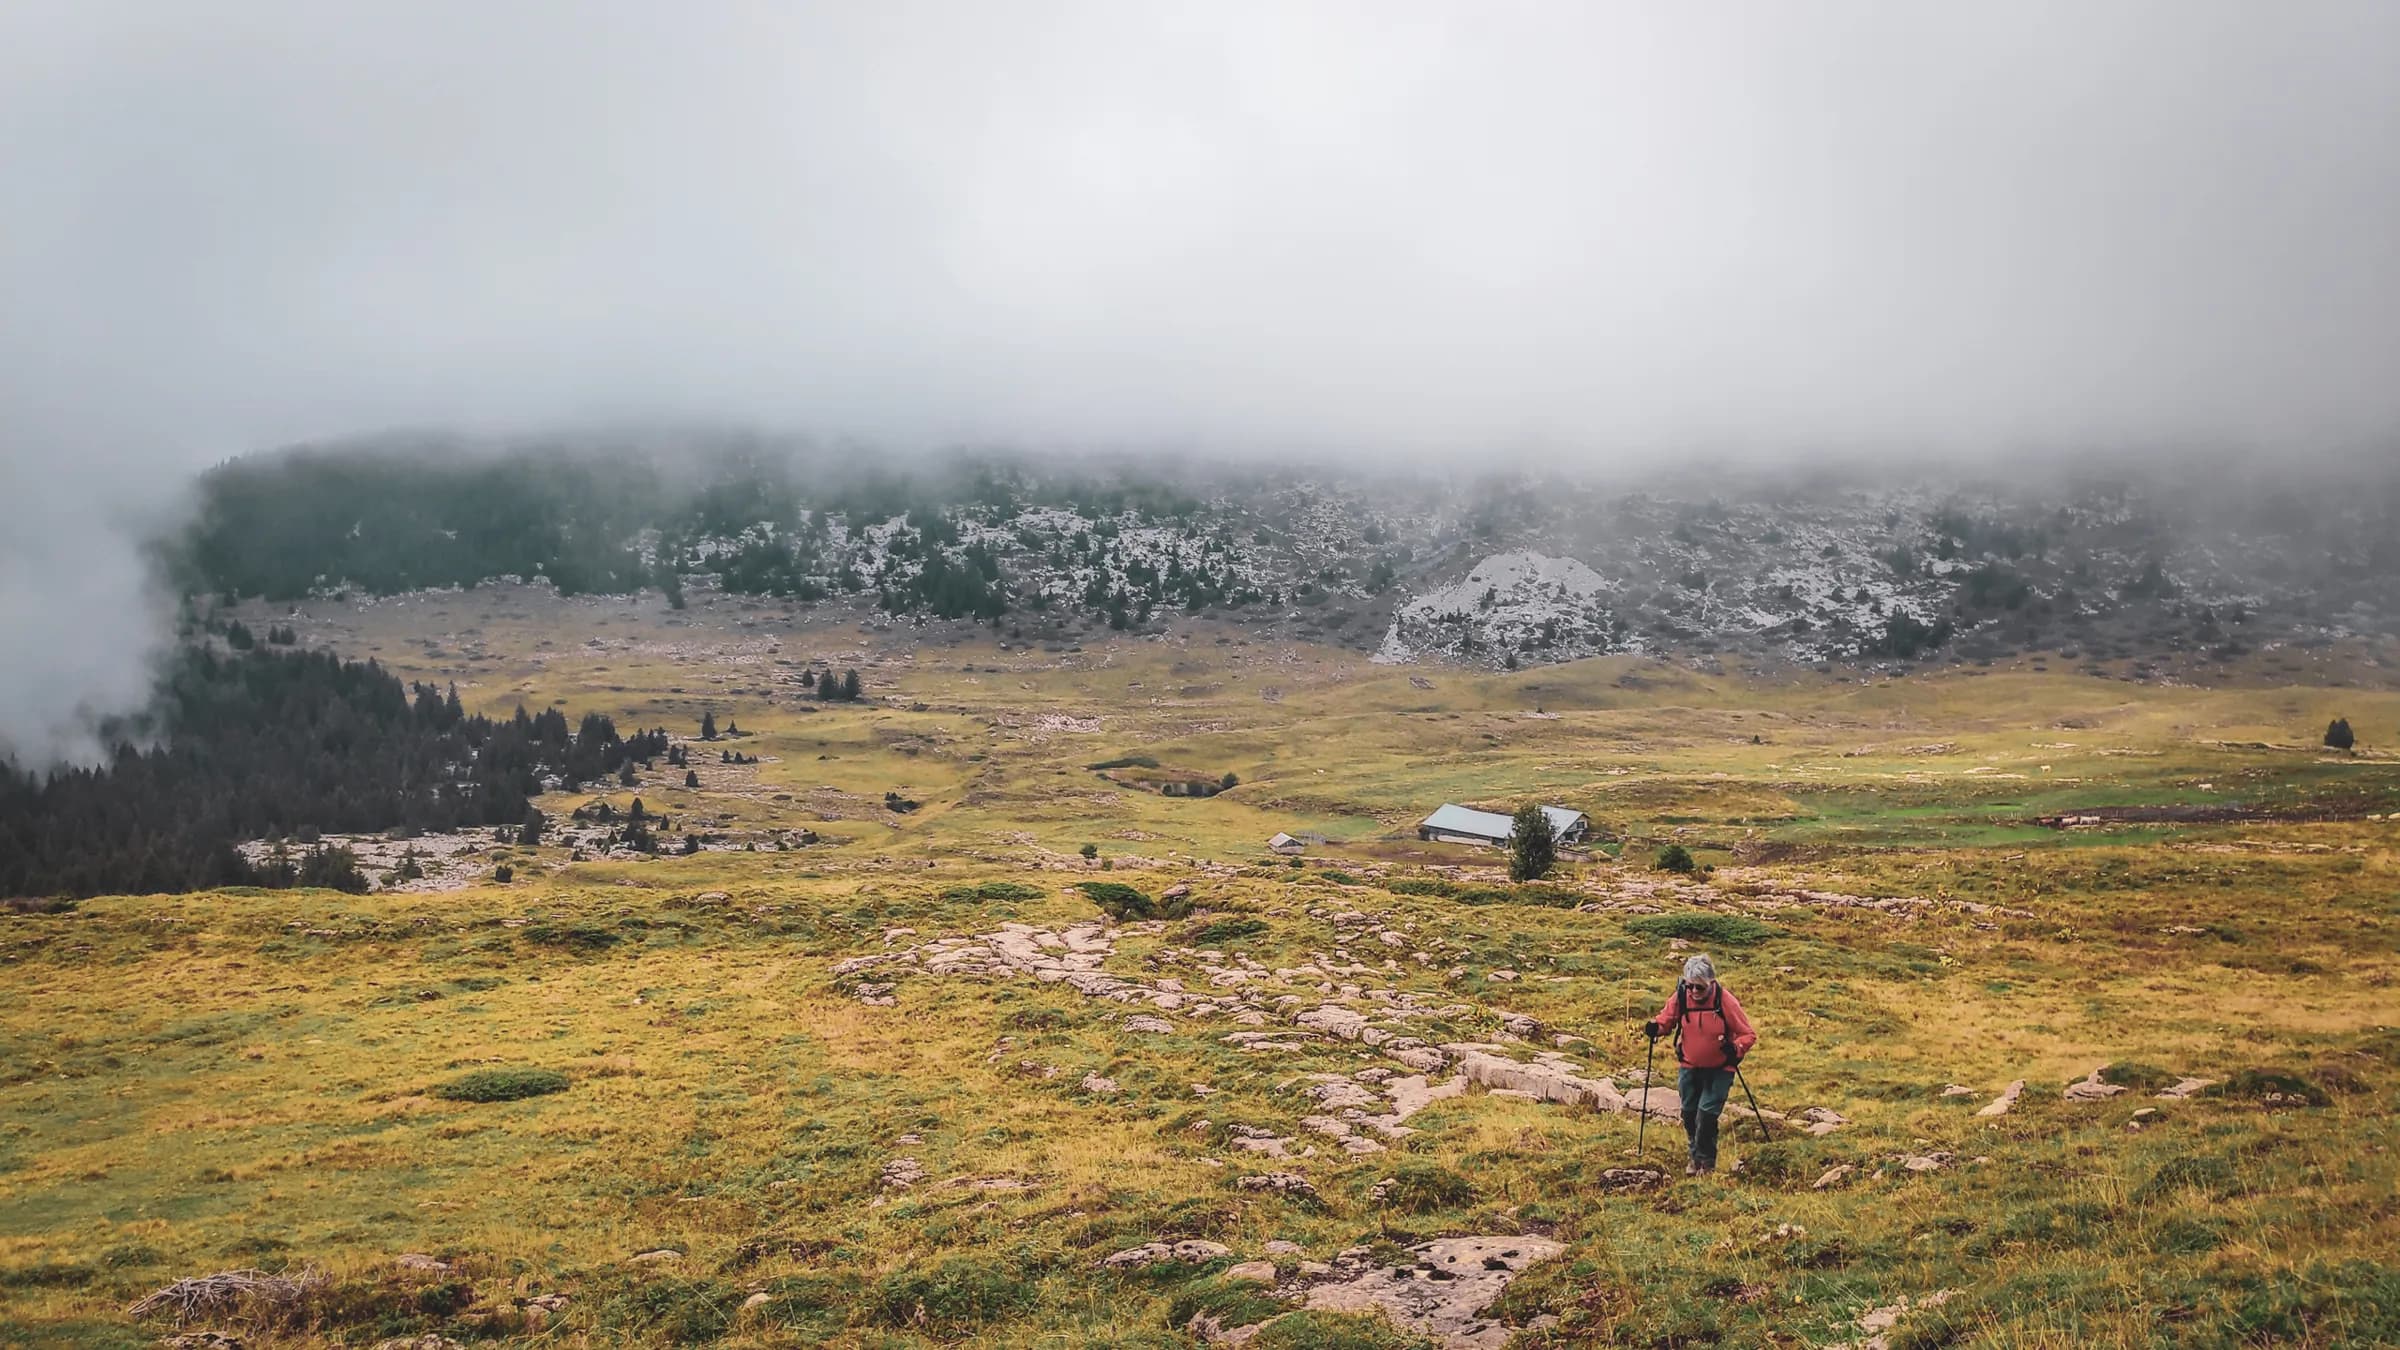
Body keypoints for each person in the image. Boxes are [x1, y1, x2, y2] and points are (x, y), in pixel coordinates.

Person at [1644, 954, 1757, 1175]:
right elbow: (1666, 1020)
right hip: (1689, 1065)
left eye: (1700, 988)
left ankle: (1706, 1164)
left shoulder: (1725, 1001)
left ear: (1711, 983)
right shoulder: (1681, 996)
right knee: (1688, 1113)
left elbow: (1748, 1034)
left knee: (1706, 1114)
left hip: (1721, 1068)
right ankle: (1695, 1158)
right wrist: (1655, 1028)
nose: (1695, 992)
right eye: (1690, 986)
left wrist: (1736, 1048)